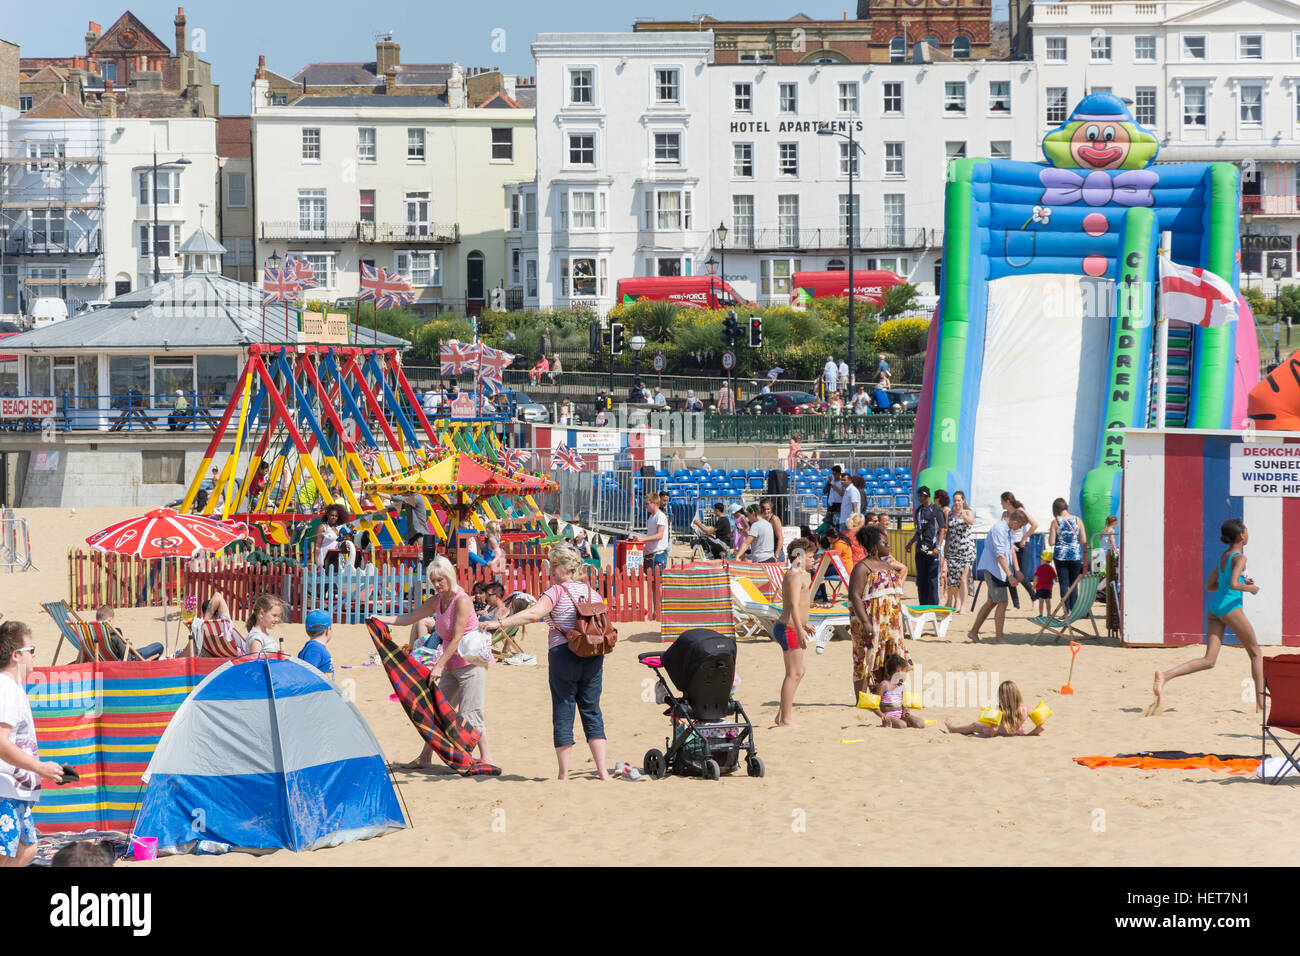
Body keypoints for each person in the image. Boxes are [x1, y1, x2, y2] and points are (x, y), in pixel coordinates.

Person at [482, 545, 610, 780]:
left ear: (564, 567)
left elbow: (532, 614)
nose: (550, 569)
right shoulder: (592, 592)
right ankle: (603, 772)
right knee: (591, 709)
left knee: (564, 706)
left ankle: (563, 774)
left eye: (553, 565)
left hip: (564, 653)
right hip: (593, 653)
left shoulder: (556, 591)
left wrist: (499, 623)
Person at [377, 556, 494, 768]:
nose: (437, 585)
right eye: (433, 581)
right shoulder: (437, 600)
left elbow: (457, 636)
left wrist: (438, 666)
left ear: (449, 576)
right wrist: (379, 619)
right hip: (450, 664)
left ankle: (486, 757)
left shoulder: (462, 600)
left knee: (470, 712)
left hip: (470, 664)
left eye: (440, 580)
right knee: (438, 712)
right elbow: (410, 618)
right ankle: (425, 758)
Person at [1150, 518, 1264, 715]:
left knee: (1209, 660)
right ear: (1242, 535)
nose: (1248, 532)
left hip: (1215, 609)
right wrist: (1250, 588)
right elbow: (1234, 585)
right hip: (1230, 608)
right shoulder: (1240, 558)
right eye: (1246, 530)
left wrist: (1241, 580)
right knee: (1256, 654)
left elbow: (1210, 585)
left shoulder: (1225, 556)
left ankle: (1166, 676)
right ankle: (1261, 706)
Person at [0, 621, 65, 868]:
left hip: (13, 790)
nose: (35, 654)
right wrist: (40, 768)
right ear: (16, 655)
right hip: (4, 790)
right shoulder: (5, 688)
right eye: (31, 649)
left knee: (27, 848)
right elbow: (1, 744)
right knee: (9, 851)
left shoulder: (13, 688)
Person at [848, 525, 910, 699]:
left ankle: (883, 696)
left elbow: (894, 596)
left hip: (891, 621)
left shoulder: (888, 565)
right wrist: (866, 622)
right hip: (870, 620)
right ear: (874, 546)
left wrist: (901, 621)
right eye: (885, 543)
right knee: (865, 657)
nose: (888, 546)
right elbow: (854, 596)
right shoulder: (863, 567)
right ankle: (862, 700)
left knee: (890, 657)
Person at [773, 538, 816, 727]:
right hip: (789, 628)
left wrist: (805, 626)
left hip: (791, 627)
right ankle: (785, 719)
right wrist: (800, 630)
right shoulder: (795, 575)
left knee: (798, 671)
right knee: (794, 672)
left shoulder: (797, 575)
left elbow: (795, 606)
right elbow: (792, 605)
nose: (813, 560)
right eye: (811, 556)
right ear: (799, 556)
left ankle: (781, 714)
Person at [968, 509, 1028, 644]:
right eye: (1019, 526)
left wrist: (1017, 570)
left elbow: (1010, 550)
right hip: (994, 570)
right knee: (1003, 602)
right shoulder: (999, 529)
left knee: (992, 602)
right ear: (1015, 521)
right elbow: (1000, 556)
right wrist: (1010, 576)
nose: (1018, 529)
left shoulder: (1006, 530)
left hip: (997, 570)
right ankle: (999, 638)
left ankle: (973, 632)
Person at [945, 680, 1045, 737]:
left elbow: (994, 729)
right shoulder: (1026, 708)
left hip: (1000, 732)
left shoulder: (998, 709)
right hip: (1016, 732)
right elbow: (1041, 727)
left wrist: (989, 736)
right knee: (977, 725)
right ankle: (957, 729)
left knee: (974, 725)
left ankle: (953, 729)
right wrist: (1027, 735)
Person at [1000, 491, 1039, 609]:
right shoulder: (1004, 514)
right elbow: (1003, 530)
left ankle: (1034, 597)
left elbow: (1034, 524)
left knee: (1022, 575)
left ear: (1007, 501)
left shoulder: (1020, 510)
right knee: (1010, 575)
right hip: (1011, 545)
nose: (1001, 504)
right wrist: (1010, 544)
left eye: (1002, 502)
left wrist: (1024, 537)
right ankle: (1016, 604)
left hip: (1022, 545)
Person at [1048, 497, 1087, 610]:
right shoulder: (1077, 520)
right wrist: (1073, 542)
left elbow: (1051, 543)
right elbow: (1084, 540)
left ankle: (1067, 611)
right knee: (1074, 583)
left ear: (1055, 509)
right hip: (1075, 555)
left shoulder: (1055, 522)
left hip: (1061, 556)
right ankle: (1074, 609)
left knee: (1064, 584)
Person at [95, 605, 163, 661]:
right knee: (158, 646)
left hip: (106, 661)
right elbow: (126, 657)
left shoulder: (93, 634)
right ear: (109, 619)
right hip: (131, 660)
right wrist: (127, 644)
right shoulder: (114, 634)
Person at [875, 654, 924, 729]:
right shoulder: (884, 685)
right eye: (905, 672)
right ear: (898, 671)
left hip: (901, 715)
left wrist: (906, 711)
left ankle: (904, 721)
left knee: (920, 723)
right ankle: (891, 723)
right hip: (888, 716)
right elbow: (874, 705)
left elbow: (905, 704)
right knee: (902, 725)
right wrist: (882, 716)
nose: (906, 675)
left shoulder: (901, 686)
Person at [629, 493, 671, 570]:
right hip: (651, 554)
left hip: (658, 554)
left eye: (647, 503)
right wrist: (640, 539)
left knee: (657, 580)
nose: (645, 506)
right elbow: (652, 535)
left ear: (654, 503)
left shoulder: (660, 516)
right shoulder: (652, 517)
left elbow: (659, 536)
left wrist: (642, 539)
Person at [298, 609, 335, 679]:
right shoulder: (315, 649)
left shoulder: (316, 647)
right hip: (319, 689)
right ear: (328, 629)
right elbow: (307, 676)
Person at [314, 503, 348, 571]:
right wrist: (316, 562)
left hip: (337, 559)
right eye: (332, 515)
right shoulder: (322, 528)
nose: (334, 517)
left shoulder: (339, 528)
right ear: (328, 515)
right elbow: (317, 546)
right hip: (324, 557)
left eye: (336, 516)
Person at [1033, 550, 1057, 617]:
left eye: (1041, 559)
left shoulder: (1039, 568)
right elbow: (1055, 578)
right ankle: (1049, 614)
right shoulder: (1051, 568)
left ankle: (1040, 614)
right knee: (1048, 601)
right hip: (1048, 588)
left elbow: (1036, 578)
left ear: (1044, 560)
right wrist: (1055, 580)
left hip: (1040, 588)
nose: (1040, 560)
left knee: (1041, 601)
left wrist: (1034, 585)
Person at [825, 465, 845, 532]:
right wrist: (828, 483)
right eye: (832, 474)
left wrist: (833, 486)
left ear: (839, 473)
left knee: (836, 524)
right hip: (831, 505)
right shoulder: (831, 481)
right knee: (829, 523)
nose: (834, 475)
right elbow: (824, 491)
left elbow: (842, 494)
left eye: (835, 474)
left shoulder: (842, 482)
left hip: (839, 505)